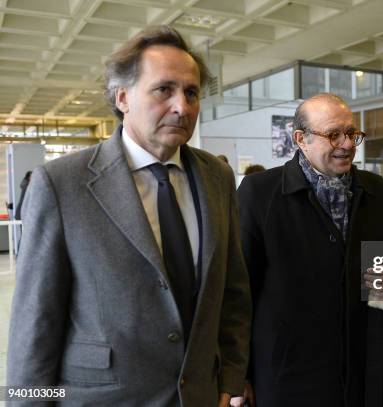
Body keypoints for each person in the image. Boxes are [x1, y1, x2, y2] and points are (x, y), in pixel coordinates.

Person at [6, 25, 251, 407]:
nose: (181, 107)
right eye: (163, 89)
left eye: (191, 92)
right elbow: (36, 322)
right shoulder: (61, 183)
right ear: (123, 97)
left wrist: (231, 380)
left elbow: (233, 290)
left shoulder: (216, 177)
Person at [235, 93, 383, 407]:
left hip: (361, 366)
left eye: (351, 134)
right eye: (333, 135)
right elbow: (239, 293)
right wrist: (239, 375)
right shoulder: (260, 193)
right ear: (300, 139)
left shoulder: (373, 189)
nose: (347, 144)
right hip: (287, 373)